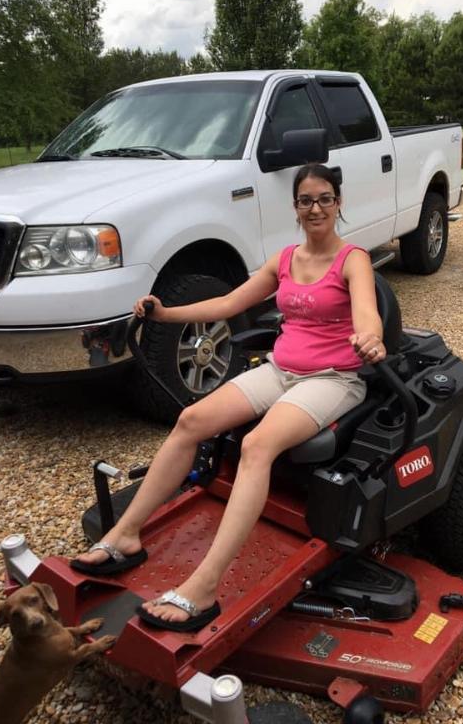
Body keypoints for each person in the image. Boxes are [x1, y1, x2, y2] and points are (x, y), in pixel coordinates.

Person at [71, 163, 387, 632]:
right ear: (295, 207)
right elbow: (227, 304)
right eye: (306, 200)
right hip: (281, 371)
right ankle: (126, 534)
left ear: (338, 202)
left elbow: (366, 312)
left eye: (324, 198)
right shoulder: (284, 260)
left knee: (256, 446)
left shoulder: (352, 259)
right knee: (191, 421)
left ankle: (203, 588)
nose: (315, 208)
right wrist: (164, 313)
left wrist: (370, 337)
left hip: (332, 379)